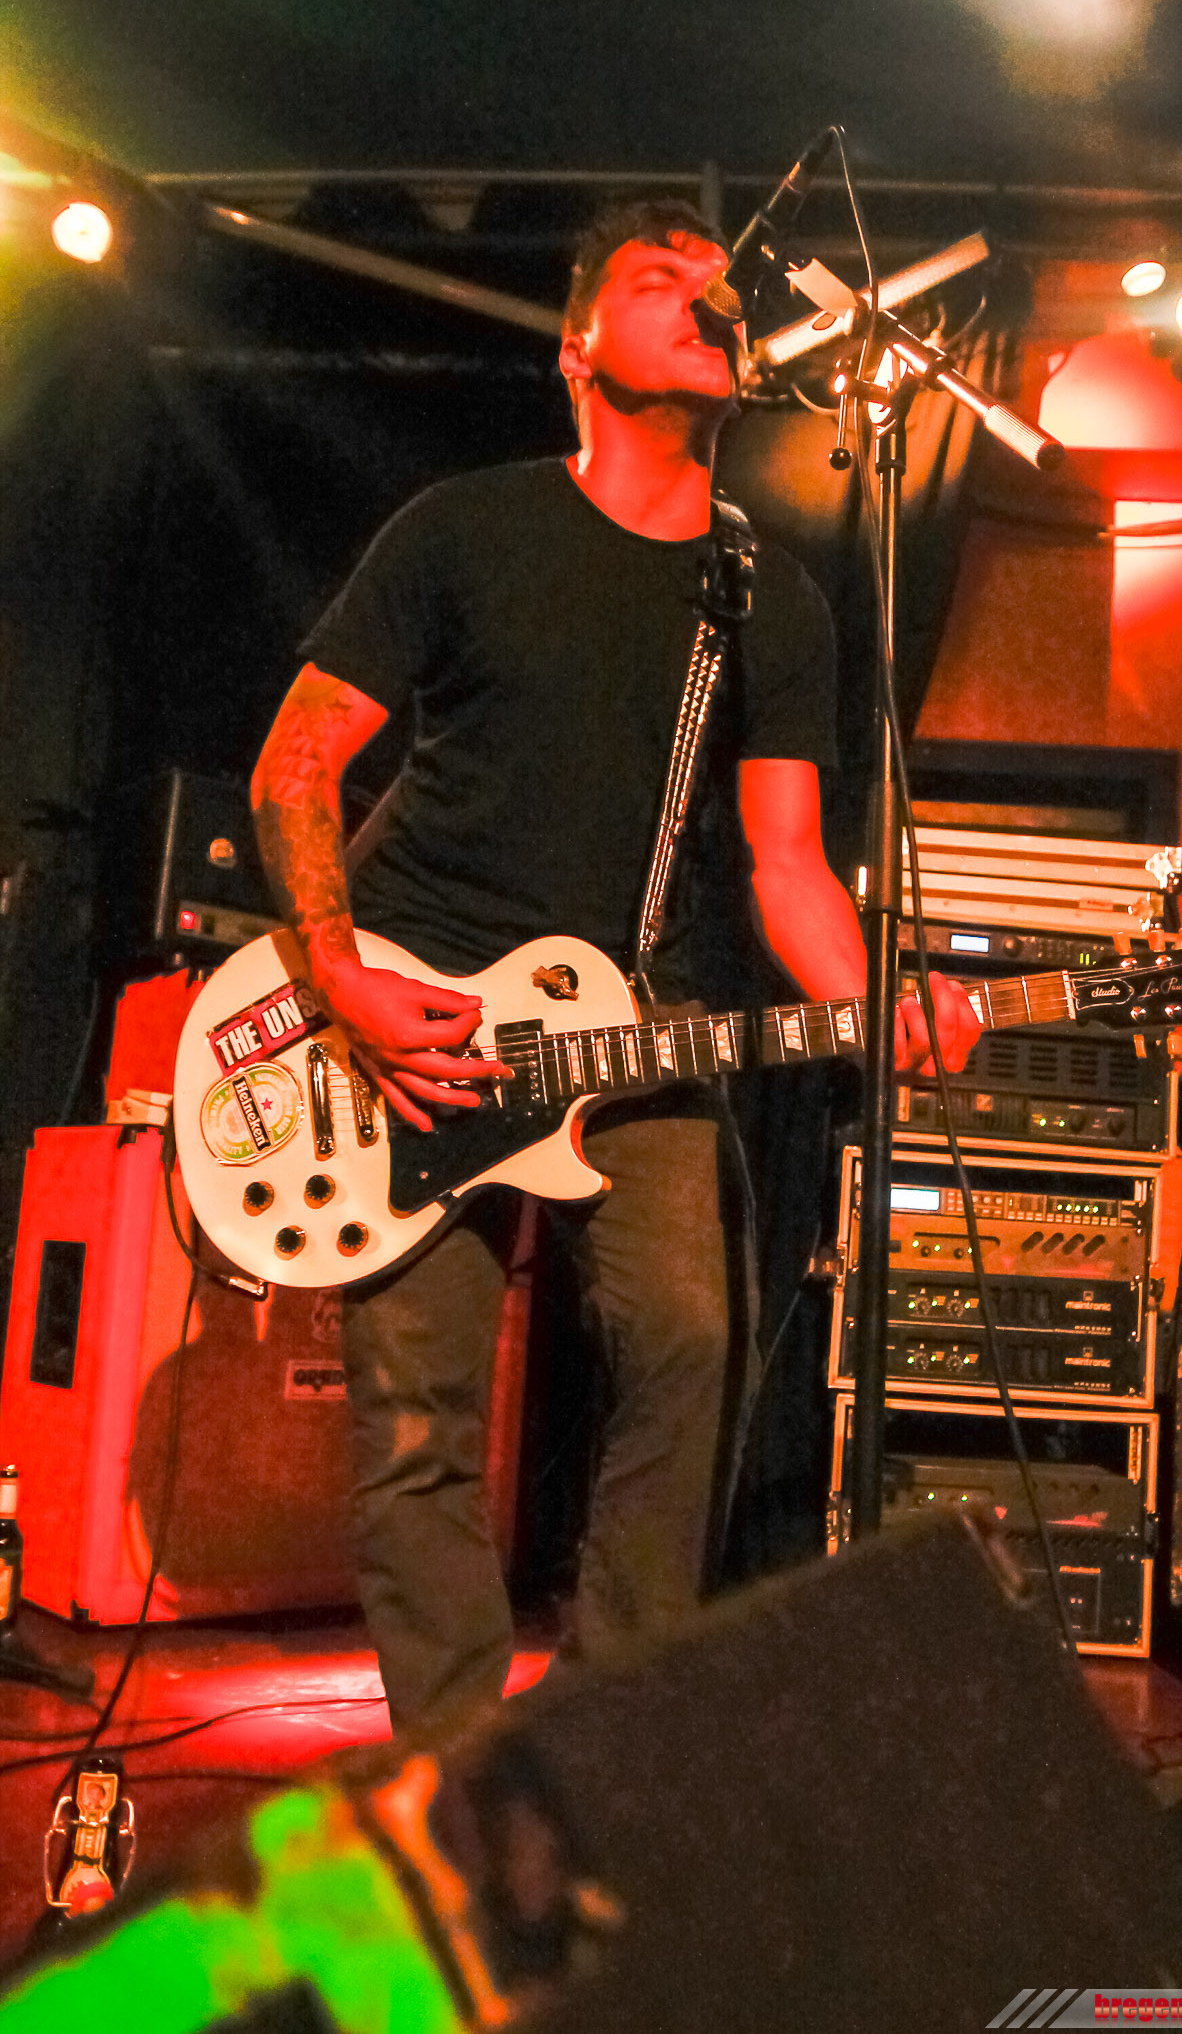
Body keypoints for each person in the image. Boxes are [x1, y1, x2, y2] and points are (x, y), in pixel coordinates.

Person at [250, 197, 980, 1732]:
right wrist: (339, 982)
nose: (709, 298)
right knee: (418, 1417)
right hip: (415, 1014)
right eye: (661, 279)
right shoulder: (463, 530)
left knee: (688, 1341)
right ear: (575, 348)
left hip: (635, 1019)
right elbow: (294, 766)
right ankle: (460, 1763)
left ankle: (603, 1734)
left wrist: (872, 1006)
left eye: (720, 284)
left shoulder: (768, 595)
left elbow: (787, 864)